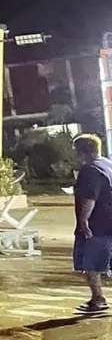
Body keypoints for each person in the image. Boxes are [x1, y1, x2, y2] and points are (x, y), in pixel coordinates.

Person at [71, 134, 112, 313]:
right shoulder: (108, 165)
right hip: (109, 223)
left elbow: (89, 198)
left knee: (90, 264)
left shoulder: (89, 170)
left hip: (97, 225)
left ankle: (98, 299)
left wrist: (83, 221)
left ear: (82, 152)